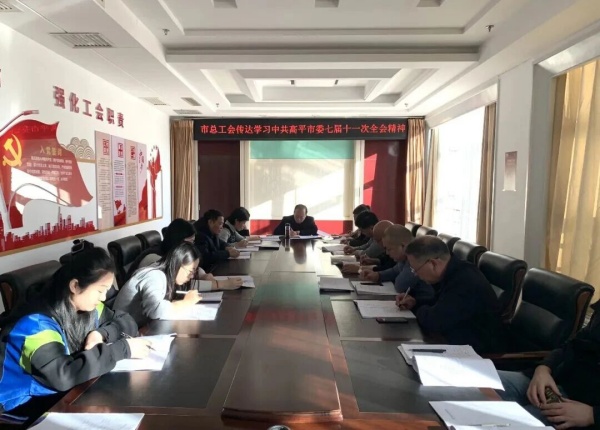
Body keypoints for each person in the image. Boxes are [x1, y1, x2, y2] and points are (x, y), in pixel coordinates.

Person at [0, 248, 150, 418]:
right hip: (19, 404)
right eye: (100, 290)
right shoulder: (35, 324)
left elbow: (126, 321)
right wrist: (122, 349)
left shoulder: (88, 308)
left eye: (106, 290)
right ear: (75, 286)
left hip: (62, 394)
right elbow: (63, 375)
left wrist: (102, 333)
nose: (103, 297)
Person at [497, 301, 599, 428]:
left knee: (498, 425)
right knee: (476, 386)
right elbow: (572, 344)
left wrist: (592, 415)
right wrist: (544, 368)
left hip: (579, 410)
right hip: (553, 383)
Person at [399, 236, 503, 353]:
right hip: (457, 342)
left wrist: (417, 309)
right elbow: (440, 304)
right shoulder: (454, 271)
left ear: (433, 263)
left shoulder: (464, 281)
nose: (415, 274)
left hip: (477, 353)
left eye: (415, 270)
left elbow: (434, 321)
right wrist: (415, 302)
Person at [127, 218, 241, 290]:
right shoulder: (155, 259)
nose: (193, 247)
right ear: (178, 241)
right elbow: (178, 286)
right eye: (190, 242)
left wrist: (203, 275)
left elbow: (189, 269)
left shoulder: (171, 253)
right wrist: (219, 285)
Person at [113, 242, 205, 327]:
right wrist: (186, 303)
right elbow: (156, 310)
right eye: (190, 271)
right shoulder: (154, 276)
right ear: (177, 264)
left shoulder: (167, 276)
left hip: (138, 327)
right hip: (122, 331)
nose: (192, 276)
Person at [359, 225, 434, 302]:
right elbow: (395, 270)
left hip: (425, 304)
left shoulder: (417, 256)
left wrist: (394, 276)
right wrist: (378, 275)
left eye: (389, 249)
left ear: (403, 246)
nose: (387, 253)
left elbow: (400, 285)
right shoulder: (405, 256)